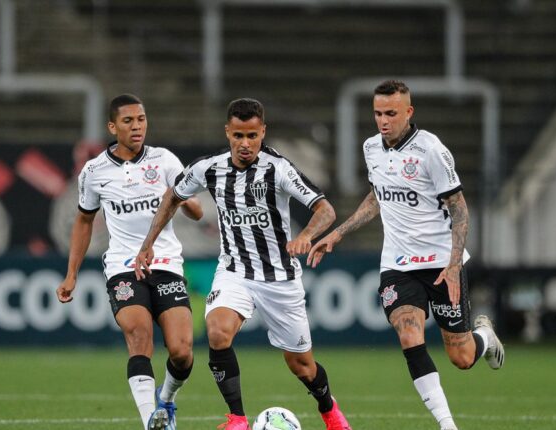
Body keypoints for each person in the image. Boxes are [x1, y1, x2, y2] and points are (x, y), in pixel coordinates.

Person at [134, 98, 351, 430]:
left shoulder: (278, 168)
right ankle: (237, 418)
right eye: (238, 136)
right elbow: (173, 195)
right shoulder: (209, 167)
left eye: (252, 135)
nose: (245, 144)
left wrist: (306, 234)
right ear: (227, 132)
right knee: (218, 332)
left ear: (263, 132)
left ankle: (329, 410)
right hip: (235, 270)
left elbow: (326, 210)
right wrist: (147, 244)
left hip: (279, 278)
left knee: (302, 366)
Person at [308, 80, 504, 430]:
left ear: (409, 112)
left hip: (441, 264)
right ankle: (448, 425)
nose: (383, 121)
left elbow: (458, 207)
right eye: (378, 113)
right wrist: (338, 232)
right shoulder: (371, 147)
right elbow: (378, 195)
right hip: (397, 264)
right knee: (408, 332)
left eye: (391, 114)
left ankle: (485, 338)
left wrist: (455, 263)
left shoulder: (431, 150)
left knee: (461, 356)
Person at [56, 94, 203, 430]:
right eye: (128, 121)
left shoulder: (165, 161)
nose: (137, 126)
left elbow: (194, 208)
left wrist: (188, 204)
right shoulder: (94, 172)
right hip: (123, 268)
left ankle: (166, 400)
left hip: (166, 264)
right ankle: (151, 421)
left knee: (181, 351)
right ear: (112, 126)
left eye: (141, 119)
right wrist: (71, 274)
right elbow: (83, 220)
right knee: (139, 336)